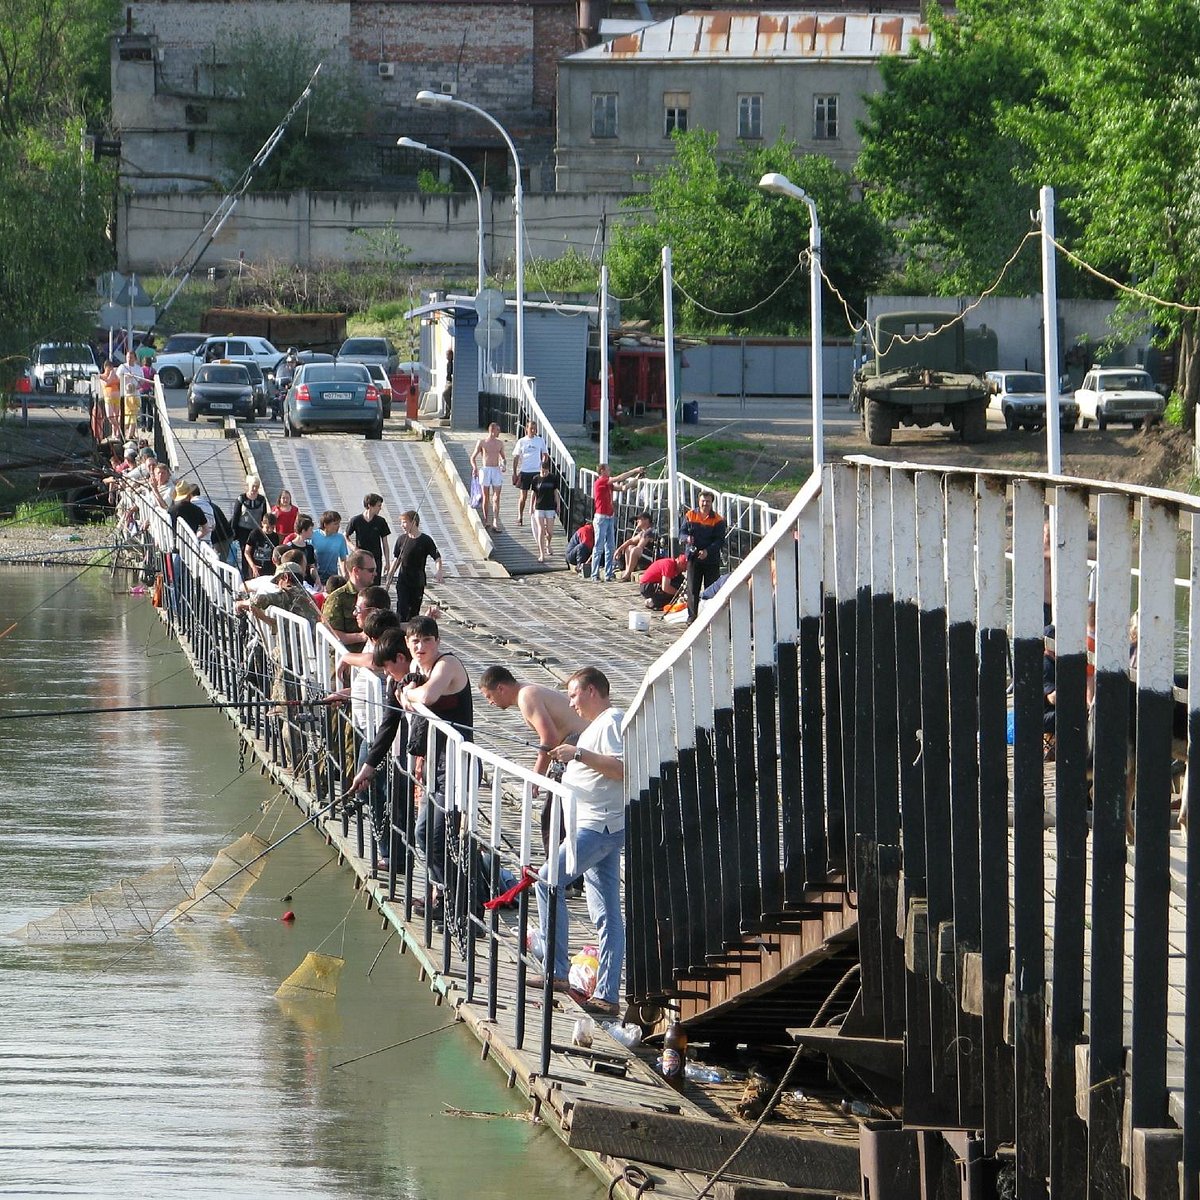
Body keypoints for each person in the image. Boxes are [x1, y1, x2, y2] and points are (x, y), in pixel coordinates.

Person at [533, 666, 626, 1017]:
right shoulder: (595, 727)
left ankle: (556, 973)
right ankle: (607, 995)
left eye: (573, 695)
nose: (570, 703)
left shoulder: (612, 720)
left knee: (546, 881)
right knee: (606, 913)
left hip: (598, 827)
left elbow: (621, 768)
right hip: (596, 826)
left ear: (591, 691)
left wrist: (578, 755)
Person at [397, 616, 473, 899]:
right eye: (415, 641)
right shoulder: (417, 667)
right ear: (407, 643)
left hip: (456, 763)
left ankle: (451, 897)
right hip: (433, 760)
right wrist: (408, 693)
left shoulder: (447, 664)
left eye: (427, 640)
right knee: (424, 833)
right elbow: (408, 698)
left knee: (440, 835)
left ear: (437, 642)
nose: (420, 646)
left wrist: (408, 692)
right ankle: (438, 892)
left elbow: (426, 697)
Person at [479, 665, 588, 855]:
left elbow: (549, 738)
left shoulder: (526, 696)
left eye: (489, 697)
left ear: (501, 689)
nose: (490, 703)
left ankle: (559, 875)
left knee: (554, 820)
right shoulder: (529, 691)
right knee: (557, 817)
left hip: (576, 750)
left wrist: (536, 778)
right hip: (574, 749)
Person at [591, 462, 644, 582]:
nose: (610, 471)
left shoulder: (608, 484)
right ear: (602, 471)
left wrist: (637, 478)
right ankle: (594, 575)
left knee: (610, 546)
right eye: (608, 469)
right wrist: (635, 469)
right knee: (598, 547)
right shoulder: (601, 481)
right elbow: (620, 478)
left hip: (610, 517)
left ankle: (608, 574)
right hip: (601, 518)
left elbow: (624, 488)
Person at [386, 510, 443, 620]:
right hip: (403, 580)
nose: (402, 525)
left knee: (414, 610)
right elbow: (397, 559)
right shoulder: (401, 539)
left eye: (404, 522)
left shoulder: (425, 540)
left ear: (414, 522)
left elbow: (437, 557)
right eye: (401, 522)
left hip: (417, 581)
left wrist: (439, 571)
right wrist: (390, 575)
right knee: (401, 607)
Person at [680, 490, 727, 621]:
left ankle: (710, 618)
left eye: (708, 501)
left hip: (711, 560)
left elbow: (719, 541)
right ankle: (692, 618)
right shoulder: (690, 515)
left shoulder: (718, 520)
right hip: (693, 558)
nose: (705, 504)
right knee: (692, 589)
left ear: (712, 503)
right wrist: (687, 539)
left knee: (711, 589)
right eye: (703, 501)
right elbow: (681, 533)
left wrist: (707, 551)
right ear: (698, 501)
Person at [321, 549, 378, 648]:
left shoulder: (374, 595)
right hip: (346, 657)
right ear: (356, 570)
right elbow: (329, 632)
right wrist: (360, 637)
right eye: (371, 570)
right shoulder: (337, 598)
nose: (375, 574)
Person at [470, 422, 507, 532]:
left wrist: (503, 465)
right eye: (498, 430)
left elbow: (503, 458)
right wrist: (475, 468)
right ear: (492, 430)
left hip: (496, 469)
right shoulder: (482, 442)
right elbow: (473, 457)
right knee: (485, 497)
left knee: (496, 497)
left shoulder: (500, 443)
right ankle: (487, 520)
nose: (499, 432)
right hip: (486, 469)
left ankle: (495, 520)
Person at [511, 420, 549, 526]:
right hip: (525, 471)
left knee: (538, 495)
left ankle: (537, 517)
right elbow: (516, 457)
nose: (533, 431)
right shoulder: (522, 441)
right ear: (526, 429)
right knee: (523, 496)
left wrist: (543, 464)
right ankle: (520, 516)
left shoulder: (540, 440)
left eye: (535, 429)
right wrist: (515, 473)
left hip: (537, 471)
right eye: (531, 428)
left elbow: (545, 454)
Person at [347, 493, 391, 577]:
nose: (380, 508)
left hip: (375, 559)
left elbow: (385, 543)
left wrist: (387, 561)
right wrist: (354, 548)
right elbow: (346, 536)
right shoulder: (356, 520)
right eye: (378, 506)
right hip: (360, 559)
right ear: (370, 505)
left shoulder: (381, 521)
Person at [231, 475, 267, 575]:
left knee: (257, 553)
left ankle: (256, 573)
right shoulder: (241, 499)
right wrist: (233, 531)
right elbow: (236, 515)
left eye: (257, 486)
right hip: (243, 530)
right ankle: (246, 574)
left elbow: (264, 516)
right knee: (245, 553)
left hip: (256, 531)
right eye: (253, 486)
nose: (254, 488)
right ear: (249, 485)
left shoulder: (262, 500)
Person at [614, 511, 657, 581]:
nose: (637, 521)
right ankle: (628, 570)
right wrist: (619, 549)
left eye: (639, 519)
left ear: (646, 520)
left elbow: (640, 546)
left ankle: (628, 573)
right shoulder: (642, 533)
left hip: (652, 558)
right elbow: (630, 541)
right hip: (644, 556)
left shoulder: (650, 532)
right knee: (629, 547)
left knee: (635, 549)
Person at [530, 461, 558, 563]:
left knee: (550, 531)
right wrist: (531, 506)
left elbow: (555, 492)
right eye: (543, 471)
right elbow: (533, 494)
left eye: (546, 471)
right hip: (539, 506)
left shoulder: (553, 478)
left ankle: (548, 544)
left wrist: (558, 505)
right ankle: (541, 554)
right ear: (540, 469)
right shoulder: (535, 479)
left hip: (550, 506)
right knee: (541, 529)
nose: (544, 473)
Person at [311, 509, 350, 584]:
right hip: (315, 577)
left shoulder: (340, 538)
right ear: (325, 524)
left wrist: (344, 573)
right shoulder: (314, 536)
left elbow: (342, 559)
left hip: (332, 577)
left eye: (339, 523)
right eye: (335, 524)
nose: (338, 526)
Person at [282, 513, 319, 585]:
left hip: (307, 581)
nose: (312, 532)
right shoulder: (289, 547)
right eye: (310, 530)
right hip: (293, 581)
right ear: (303, 531)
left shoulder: (309, 547)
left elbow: (312, 566)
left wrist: (317, 578)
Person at [243, 510, 280, 579]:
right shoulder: (255, 533)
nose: (270, 530)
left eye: (272, 528)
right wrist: (252, 566)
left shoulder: (275, 536)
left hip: (269, 569)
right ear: (262, 523)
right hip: (255, 567)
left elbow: (275, 553)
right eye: (267, 527)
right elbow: (246, 552)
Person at [116, 351, 142, 440]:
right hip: (125, 395)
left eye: (131, 357)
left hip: (135, 394)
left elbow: (141, 381)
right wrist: (126, 377)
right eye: (127, 357)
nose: (129, 359)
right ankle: (120, 432)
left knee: (134, 414)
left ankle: (131, 434)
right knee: (124, 414)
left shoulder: (138, 368)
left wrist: (137, 386)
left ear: (135, 358)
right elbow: (117, 378)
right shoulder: (122, 367)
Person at [98, 360, 121, 439]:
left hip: (116, 396)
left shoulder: (115, 376)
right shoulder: (102, 376)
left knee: (116, 415)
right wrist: (111, 374)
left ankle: (115, 434)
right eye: (109, 368)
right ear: (105, 368)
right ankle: (118, 427)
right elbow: (106, 383)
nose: (110, 370)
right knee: (110, 416)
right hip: (108, 397)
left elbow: (119, 381)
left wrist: (113, 375)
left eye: (111, 368)